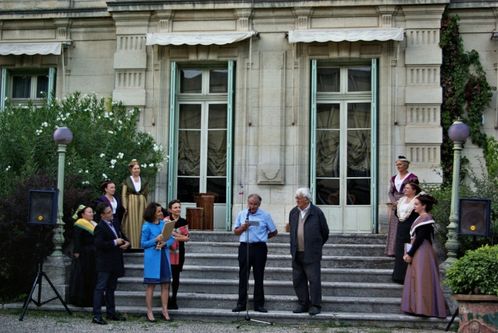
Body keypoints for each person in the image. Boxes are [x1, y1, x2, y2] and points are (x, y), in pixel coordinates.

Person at [401, 194, 449, 318]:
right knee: (417, 277)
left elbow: (420, 239)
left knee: (422, 279)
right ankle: (417, 307)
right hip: (420, 251)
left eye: (416, 204)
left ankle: (424, 309)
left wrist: (410, 253)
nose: (414, 206)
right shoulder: (421, 218)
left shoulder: (426, 218)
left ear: (424, 206)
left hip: (422, 252)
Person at [232, 194, 278, 313]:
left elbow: (274, 231)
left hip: (259, 248)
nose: (252, 206)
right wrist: (243, 228)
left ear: (259, 204)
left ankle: (259, 304)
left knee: (259, 276)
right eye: (250, 204)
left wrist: (263, 237)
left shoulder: (265, 216)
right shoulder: (242, 214)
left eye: (255, 204)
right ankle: (241, 303)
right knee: (243, 276)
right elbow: (236, 232)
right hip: (244, 247)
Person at [289, 187, 329, 316]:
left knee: (314, 280)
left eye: (298, 198)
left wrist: (315, 245)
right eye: (296, 198)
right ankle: (303, 304)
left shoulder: (316, 212)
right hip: (297, 252)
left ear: (306, 199)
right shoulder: (293, 212)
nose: (297, 201)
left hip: (312, 253)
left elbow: (325, 232)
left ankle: (315, 305)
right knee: (298, 280)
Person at [92, 202, 130, 325]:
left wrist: (126, 243)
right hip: (104, 262)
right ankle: (97, 315)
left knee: (111, 289)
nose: (111, 214)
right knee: (100, 288)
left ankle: (111, 313)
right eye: (108, 212)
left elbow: (122, 236)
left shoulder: (115, 223)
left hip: (115, 261)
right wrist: (114, 242)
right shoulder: (100, 227)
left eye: (111, 211)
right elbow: (99, 244)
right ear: (102, 215)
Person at [141, 202, 175, 322]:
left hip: (164, 257)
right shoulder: (146, 226)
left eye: (161, 211)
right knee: (151, 285)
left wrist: (166, 243)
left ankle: (164, 310)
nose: (161, 213)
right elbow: (143, 244)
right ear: (153, 213)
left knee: (165, 284)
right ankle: (149, 311)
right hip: (152, 258)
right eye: (159, 211)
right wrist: (156, 239)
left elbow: (171, 238)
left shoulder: (164, 224)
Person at [385, 156, 419, 257]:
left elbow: (414, 191)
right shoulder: (393, 178)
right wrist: (394, 202)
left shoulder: (412, 177)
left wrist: (401, 201)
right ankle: (392, 250)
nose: (398, 166)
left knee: (405, 226)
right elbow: (390, 192)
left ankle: (405, 250)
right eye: (397, 164)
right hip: (395, 205)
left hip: (407, 203)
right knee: (394, 226)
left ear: (405, 165)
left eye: (399, 164)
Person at [391, 181, 421, 284]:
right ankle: (398, 276)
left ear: (414, 190)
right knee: (400, 251)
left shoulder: (417, 200)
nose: (405, 190)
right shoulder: (402, 200)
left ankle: (409, 277)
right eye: (405, 188)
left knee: (409, 250)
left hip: (411, 227)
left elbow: (418, 214)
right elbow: (397, 213)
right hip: (401, 227)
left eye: (408, 188)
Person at [68, 205, 97, 307]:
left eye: (92, 212)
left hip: (92, 254)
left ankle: (92, 299)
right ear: (83, 214)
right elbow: (77, 240)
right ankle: (81, 300)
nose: (91, 214)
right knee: (83, 276)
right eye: (89, 212)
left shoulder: (92, 224)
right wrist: (77, 252)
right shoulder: (80, 224)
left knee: (92, 276)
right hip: (84, 253)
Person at [167, 199, 190, 310]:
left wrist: (174, 236)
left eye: (179, 207)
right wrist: (179, 237)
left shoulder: (183, 221)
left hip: (179, 252)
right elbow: (165, 236)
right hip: (168, 252)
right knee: (167, 276)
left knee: (176, 277)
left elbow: (187, 238)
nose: (178, 209)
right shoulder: (166, 221)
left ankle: (174, 299)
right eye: (175, 207)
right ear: (170, 209)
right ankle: (165, 299)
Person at [122, 159, 149, 249]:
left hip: (142, 203)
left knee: (142, 223)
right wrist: (125, 206)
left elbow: (146, 194)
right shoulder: (127, 180)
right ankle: (133, 245)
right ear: (131, 170)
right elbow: (124, 194)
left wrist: (146, 205)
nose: (137, 170)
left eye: (138, 168)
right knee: (132, 223)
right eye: (135, 168)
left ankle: (142, 245)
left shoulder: (143, 180)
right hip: (131, 203)